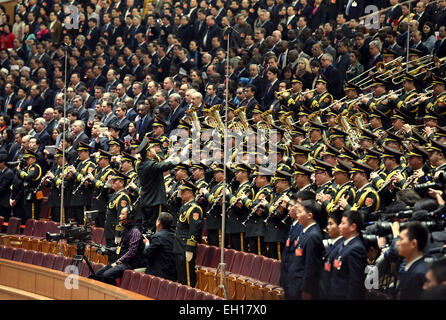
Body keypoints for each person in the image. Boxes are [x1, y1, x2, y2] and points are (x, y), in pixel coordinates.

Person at [92, 195, 144, 286]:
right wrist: (107, 249)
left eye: (122, 214)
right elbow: (121, 247)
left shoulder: (135, 231)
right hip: (122, 261)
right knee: (98, 274)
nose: (119, 216)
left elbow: (132, 252)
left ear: (130, 216)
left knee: (106, 275)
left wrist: (117, 262)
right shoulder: (126, 229)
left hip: (130, 263)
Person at [286, 199, 324, 300]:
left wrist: (306, 290)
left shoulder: (313, 236)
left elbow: (311, 266)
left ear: (309, 215)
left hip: (301, 288)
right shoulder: (305, 232)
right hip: (295, 283)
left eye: (300, 212)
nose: (297, 215)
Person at [329, 210, 367, 300]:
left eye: (343, 223)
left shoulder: (356, 248)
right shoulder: (345, 243)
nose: (339, 226)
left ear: (353, 227)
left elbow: (355, 283)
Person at [173, 179, 203, 287]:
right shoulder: (185, 206)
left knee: (188, 279)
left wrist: (190, 249)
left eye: (183, 192)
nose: (180, 194)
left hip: (186, 247)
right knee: (181, 278)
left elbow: (194, 230)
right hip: (179, 246)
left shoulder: (195, 209)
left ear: (190, 193)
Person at [395, 221, 429, 300]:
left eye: (401, 239)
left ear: (413, 243)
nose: (397, 243)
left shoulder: (420, 274)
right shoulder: (411, 266)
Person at [141, 211, 177, 281]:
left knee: (134, 274)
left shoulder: (157, 237)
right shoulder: (174, 235)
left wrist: (147, 244)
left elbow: (147, 254)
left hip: (158, 274)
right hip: (172, 274)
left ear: (159, 222)